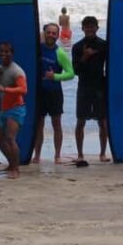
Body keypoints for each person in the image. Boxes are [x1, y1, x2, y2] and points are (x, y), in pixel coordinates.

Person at [33, 23, 74, 164]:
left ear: (57, 35)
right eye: (48, 32)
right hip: (39, 93)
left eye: (54, 33)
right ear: (44, 33)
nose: (51, 35)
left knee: (56, 124)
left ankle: (57, 155)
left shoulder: (60, 53)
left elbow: (71, 74)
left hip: (54, 93)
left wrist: (55, 76)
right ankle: (37, 155)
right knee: (39, 125)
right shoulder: (37, 49)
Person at [0, 42, 27, 179]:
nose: (4, 54)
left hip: (16, 109)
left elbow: (23, 89)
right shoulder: (0, 69)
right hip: (4, 109)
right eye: (1, 51)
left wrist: (6, 90)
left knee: (10, 138)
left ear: (12, 53)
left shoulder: (17, 71)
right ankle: (11, 164)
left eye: (7, 51)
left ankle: (16, 169)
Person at [71, 16, 109, 162]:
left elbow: (111, 66)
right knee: (80, 121)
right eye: (87, 26)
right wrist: (84, 57)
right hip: (84, 87)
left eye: (92, 26)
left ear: (97, 28)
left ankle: (103, 153)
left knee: (103, 121)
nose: (89, 29)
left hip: (100, 86)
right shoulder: (77, 47)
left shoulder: (103, 45)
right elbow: (75, 71)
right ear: (82, 28)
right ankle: (80, 154)